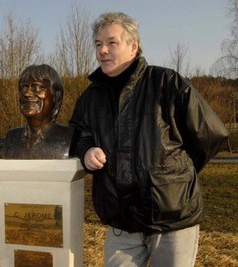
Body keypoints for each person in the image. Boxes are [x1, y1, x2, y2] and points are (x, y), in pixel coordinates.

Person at [69, 12, 229, 267]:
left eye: (111, 42)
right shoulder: (91, 97)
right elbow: (77, 135)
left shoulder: (167, 83)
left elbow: (212, 134)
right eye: (98, 44)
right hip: (121, 222)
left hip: (172, 220)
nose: (103, 51)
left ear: (133, 46)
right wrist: (86, 151)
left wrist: (177, 176)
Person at [2, 64, 74, 159]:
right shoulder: (11, 138)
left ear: (56, 95)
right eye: (24, 88)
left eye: (37, 87)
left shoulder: (70, 137)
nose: (27, 93)